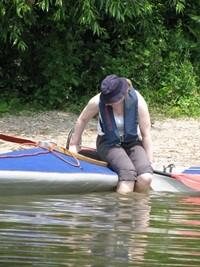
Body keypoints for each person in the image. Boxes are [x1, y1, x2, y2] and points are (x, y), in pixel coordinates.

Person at [69, 74, 153, 194]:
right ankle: (122, 211)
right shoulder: (97, 101)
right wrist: (74, 144)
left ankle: (137, 210)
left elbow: (146, 134)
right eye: (107, 100)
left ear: (123, 94)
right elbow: (82, 119)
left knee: (146, 177)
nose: (108, 103)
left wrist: (149, 163)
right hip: (108, 143)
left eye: (113, 100)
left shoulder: (138, 100)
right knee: (128, 175)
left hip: (132, 142)